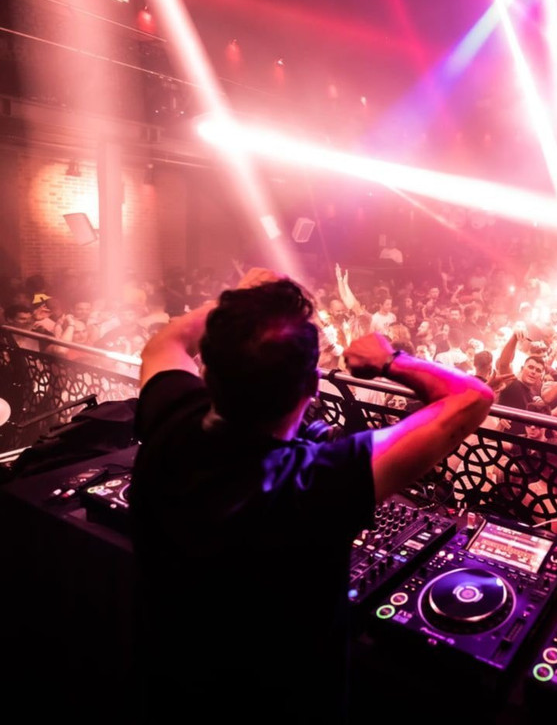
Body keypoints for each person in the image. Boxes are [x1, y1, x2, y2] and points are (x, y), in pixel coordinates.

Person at [131, 271, 493, 721]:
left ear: (207, 369)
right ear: (311, 386)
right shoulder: (316, 481)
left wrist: (241, 303)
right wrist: (390, 360)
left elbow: (165, 341)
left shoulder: (169, 416)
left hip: (171, 692)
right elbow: (472, 398)